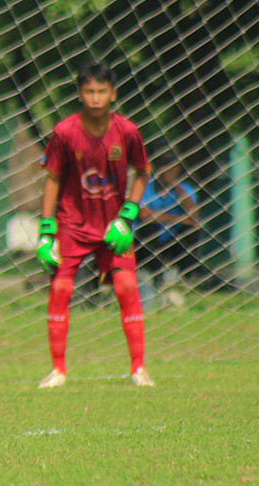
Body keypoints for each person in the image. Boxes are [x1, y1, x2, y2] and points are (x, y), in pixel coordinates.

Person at [35, 62, 154, 388]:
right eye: (89, 91)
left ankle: (139, 369)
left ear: (113, 94)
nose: (96, 98)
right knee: (60, 289)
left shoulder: (127, 131)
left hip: (113, 226)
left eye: (102, 91)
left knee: (127, 287)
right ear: (79, 94)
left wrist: (127, 216)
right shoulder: (65, 132)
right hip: (72, 224)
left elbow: (144, 172)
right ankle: (58, 371)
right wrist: (46, 231)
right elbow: (52, 179)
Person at [137, 151, 201, 299]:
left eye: (173, 166)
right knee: (148, 228)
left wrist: (176, 185)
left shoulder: (185, 189)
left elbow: (194, 215)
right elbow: (144, 215)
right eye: (164, 165)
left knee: (192, 230)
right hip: (148, 241)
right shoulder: (146, 187)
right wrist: (179, 218)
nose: (168, 170)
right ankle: (154, 277)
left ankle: (183, 278)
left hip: (173, 239)